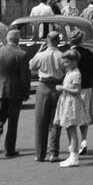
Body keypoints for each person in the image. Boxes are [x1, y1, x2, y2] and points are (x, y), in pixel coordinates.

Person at [0, 28, 31, 158]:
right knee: (12, 121)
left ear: (7, 38)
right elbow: (25, 77)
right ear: (18, 40)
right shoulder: (21, 54)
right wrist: (26, 93)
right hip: (15, 92)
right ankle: (9, 149)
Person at [30, 30, 66, 162]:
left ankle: (39, 153)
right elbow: (65, 70)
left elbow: (31, 66)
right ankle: (53, 153)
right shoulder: (61, 55)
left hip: (43, 87)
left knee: (41, 121)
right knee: (55, 122)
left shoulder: (40, 55)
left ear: (47, 41)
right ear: (58, 41)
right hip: (57, 87)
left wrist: (39, 51)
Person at [68, 30, 93, 155]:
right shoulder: (88, 53)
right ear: (82, 40)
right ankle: (83, 140)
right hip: (86, 87)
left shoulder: (68, 54)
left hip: (71, 88)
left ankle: (72, 143)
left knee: (71, 115)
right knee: (84, 115)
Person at [54, 51, 85, 167]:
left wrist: (63, 88)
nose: (65, 64)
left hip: (71, 102)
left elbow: (77, 90)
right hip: (66, 101)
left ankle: (74, 156)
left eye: (67, 62)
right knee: (68, 128)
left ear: (73, 61)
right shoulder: (69, 72)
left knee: (72, 130)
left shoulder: (76, 74)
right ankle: (72, 154)